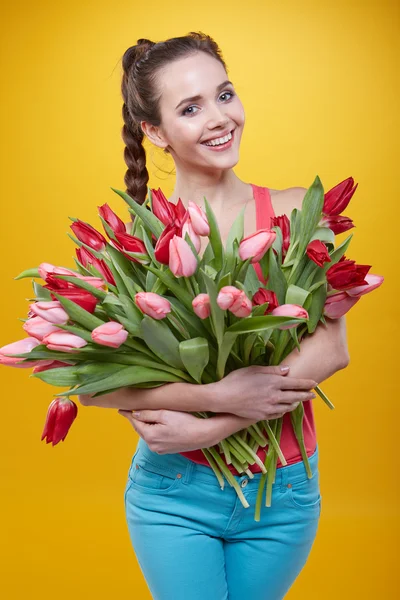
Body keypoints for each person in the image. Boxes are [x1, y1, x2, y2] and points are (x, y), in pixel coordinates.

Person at [79, 31, 350, 600]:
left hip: (284, 491)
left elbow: (331, 350)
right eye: (190, 107)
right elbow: (97, 387)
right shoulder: (138, 244)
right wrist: (216, 395)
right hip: (174, 491)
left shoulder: (297, 211)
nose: (219, 117)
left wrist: (220, 420)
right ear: (154, 132)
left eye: (224, 94)